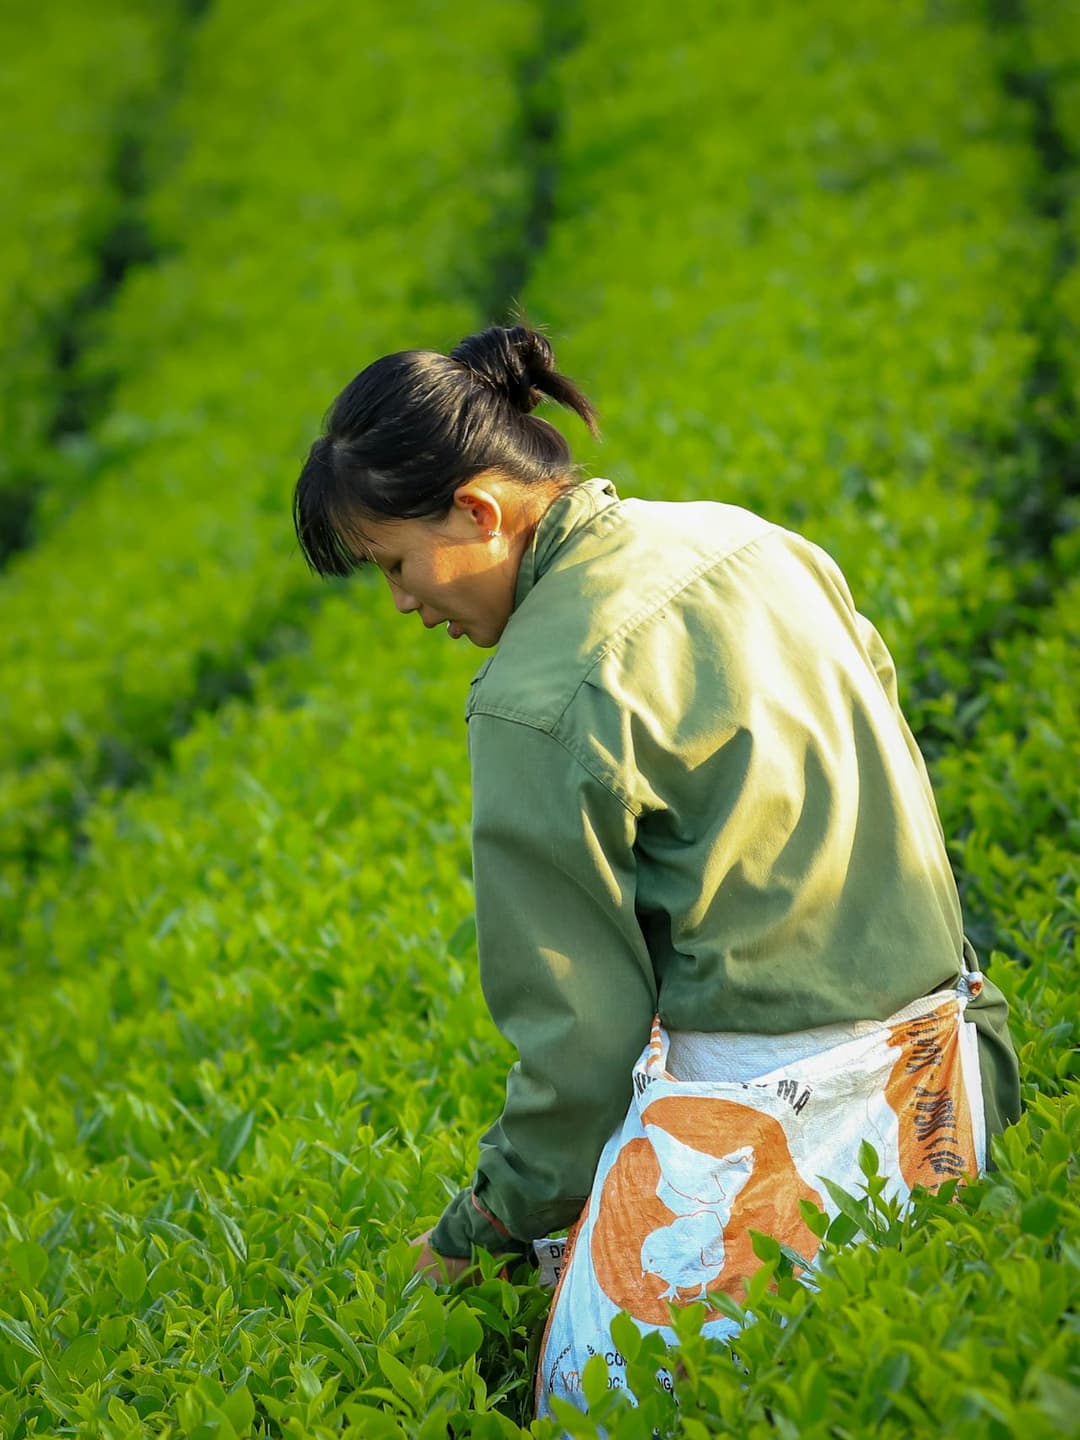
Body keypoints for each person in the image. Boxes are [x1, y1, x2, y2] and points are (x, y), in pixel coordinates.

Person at [292, 323, 1021, 1411]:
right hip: (951, 1077)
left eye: (395, 564)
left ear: (480, 512)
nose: (402, 603)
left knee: (604, 1402)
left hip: (771, 1134)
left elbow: (577, 1058)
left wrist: (476, 1231)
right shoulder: (751, 542)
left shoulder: (536, 697)